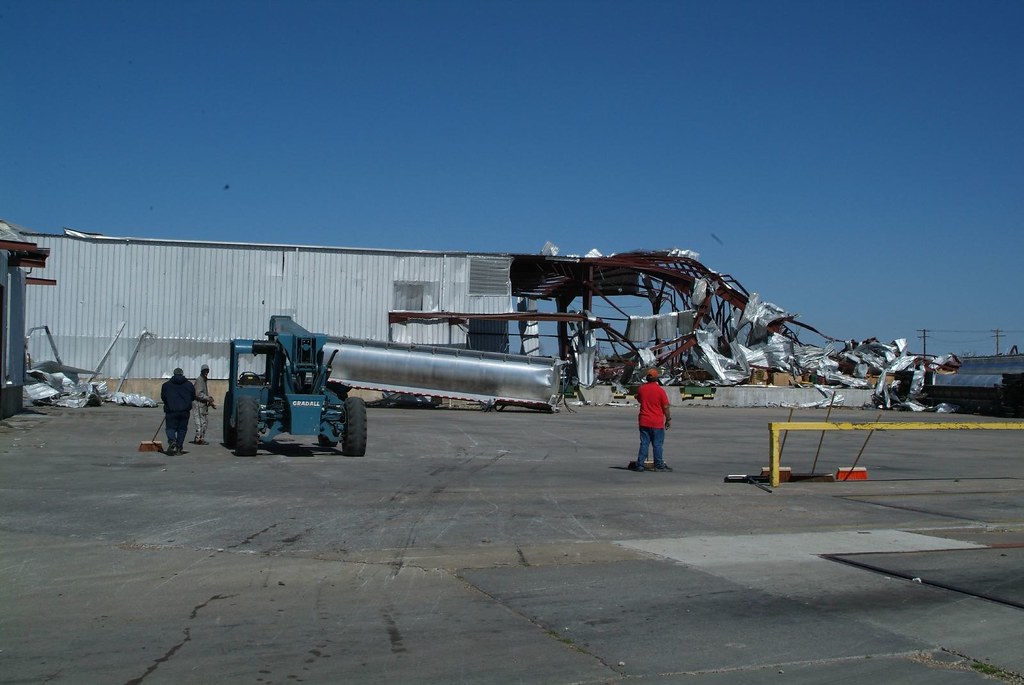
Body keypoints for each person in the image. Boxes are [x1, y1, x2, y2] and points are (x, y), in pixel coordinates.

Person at [631, 368, 673, 472]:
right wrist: (668, 419)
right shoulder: (660, 391)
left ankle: (640, 464)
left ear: (647, 378)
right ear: (656, 378)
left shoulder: (642, 389)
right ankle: (658, 464)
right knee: (657, 444)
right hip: (656, 422)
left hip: (644, 421)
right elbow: (666, 406)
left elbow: (640, 399)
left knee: (644, 443)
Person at [161, 367, 196, 455]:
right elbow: (193, 397)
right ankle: (179, 447)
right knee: (182, 429)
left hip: (171, 411)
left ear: (174, 374)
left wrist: (169, 404)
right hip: (184, 411)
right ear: (182, 374)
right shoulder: (189, 385)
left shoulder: (166, 385)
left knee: (170, 428)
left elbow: (163, 397)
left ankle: (172, 440)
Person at [191, 364, 215, 445]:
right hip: (198, 404)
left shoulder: (203, 380)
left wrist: (209, 401)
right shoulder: (200, 380)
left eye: (207, 371)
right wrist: (208, 398)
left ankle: (200, 437)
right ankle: (198, 438)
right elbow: (198, 394)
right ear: (202, 371)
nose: (206, 372)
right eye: (204, 371)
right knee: (200, 422)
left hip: (202, 405)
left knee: (204, 422)